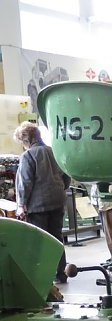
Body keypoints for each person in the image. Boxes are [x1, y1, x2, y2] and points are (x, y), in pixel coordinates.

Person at [13, 121, 70, 283]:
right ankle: (61, 273)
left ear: (26, 140)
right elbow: (66, 178)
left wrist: (21, 205)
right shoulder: (54, 152)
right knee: (56, 237)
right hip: (58, 202)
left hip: (38, 206)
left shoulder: (28, 156)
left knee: (40, 241)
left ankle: (43, 277)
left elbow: (25, 182)